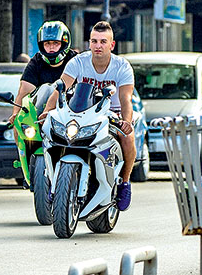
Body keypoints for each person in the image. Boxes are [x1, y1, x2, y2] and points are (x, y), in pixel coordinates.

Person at [39, 21, 136, 211]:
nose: (98, 46)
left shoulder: (122, 66)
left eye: (103, 42)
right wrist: (47, 111)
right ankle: (54, 182)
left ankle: (124, 182)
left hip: (113, 112)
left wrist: (126, 121)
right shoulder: (77, 62)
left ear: (112, 45)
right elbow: (60, 88)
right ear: (89, 43)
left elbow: (126, 99)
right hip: (83, 112)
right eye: (94, 41)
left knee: (128, 138)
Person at [8, 21, 77, 126]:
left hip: (72, 116)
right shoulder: (36, 62)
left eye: (56, 43)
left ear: (64, 44)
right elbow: (24, 91)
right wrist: (16, 115)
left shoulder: (76, 61)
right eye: (47, 43)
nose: (51, 47)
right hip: (39, 118)